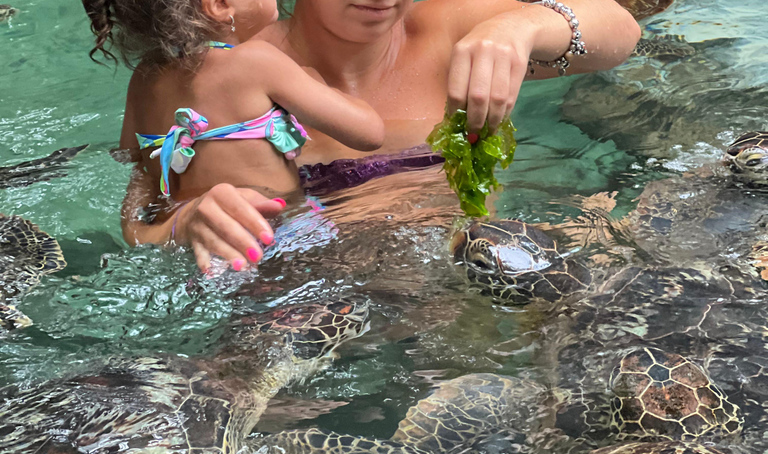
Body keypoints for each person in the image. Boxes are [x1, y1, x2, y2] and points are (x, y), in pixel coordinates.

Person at [115, 0, 641, 271]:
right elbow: (143, 212)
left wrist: (520, 27)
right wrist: (183, 221)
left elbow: (621, 29)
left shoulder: (449, 24)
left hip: (473, 292)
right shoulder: (230, 79)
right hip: (317, 322)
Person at [84, 0, 386, 271]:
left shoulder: (144, 76)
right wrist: (316, 81)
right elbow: (369, 133)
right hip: (279, 238)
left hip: (197, 254)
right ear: (218, 5)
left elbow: (129, 159)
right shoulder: (256, 61)